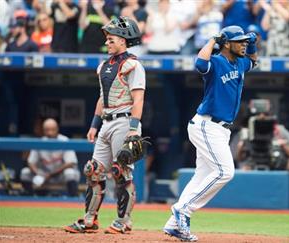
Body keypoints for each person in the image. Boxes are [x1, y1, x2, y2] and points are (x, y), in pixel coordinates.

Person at [163, 25, 258, 241]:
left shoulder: (240, 62)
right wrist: (212, 41)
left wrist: (251, 41)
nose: (243, 44)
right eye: (240, 41)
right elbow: (199, 63)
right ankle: (182, 210)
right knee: (225, 172)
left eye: (245, 41)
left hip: (221, 129)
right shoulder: (216, 61)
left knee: (203, 175)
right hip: (207, 124)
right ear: (226, 43)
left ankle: (173, 224)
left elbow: (253, 60)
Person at [64, 16, 146, 234]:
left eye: (112, 38)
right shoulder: (103, 66)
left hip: (125, 120)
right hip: (106, 122)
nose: (107, 41)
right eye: (107, 38)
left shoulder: (133, 65)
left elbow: (138, 99)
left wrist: (132, 128)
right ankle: (89, 220)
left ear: (123, 39)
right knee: (93, 171)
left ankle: (124, 221)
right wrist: (93, 124)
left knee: (121, 172)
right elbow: (103, 98)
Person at [20, 118, 80, 196]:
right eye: (47, 130)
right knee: (25, 172)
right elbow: (30, 162)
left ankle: (72, 200)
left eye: (52, 129)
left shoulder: (64, 141)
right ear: (43, 130)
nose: (50, 132)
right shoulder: (40, 142)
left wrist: (51, 174)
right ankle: (30, 199)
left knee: (70, 172)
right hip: (43, 175)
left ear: (57, 129)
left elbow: (70, 163)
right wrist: (38, 173)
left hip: (59, 176)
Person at [236, 99, 289, 171]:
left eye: (265, 114)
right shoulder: (247, 132)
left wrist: (283, 145)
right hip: (253, 167)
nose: (262, 117)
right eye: (257, 114)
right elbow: (239, 159)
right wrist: (240, 148)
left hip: (276, 167)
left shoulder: (279, 131)